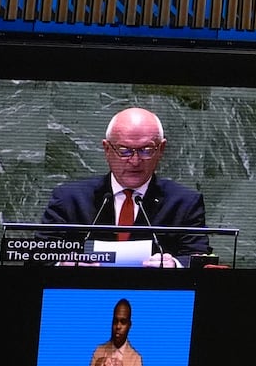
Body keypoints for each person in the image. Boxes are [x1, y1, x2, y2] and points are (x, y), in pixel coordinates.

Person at [41, 106, 210, 266]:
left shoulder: (185, 203)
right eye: (124, 150)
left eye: (146, 150)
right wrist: (62, 263)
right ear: (107, 149)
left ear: (161, 149)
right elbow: (38, 257)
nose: (135, 161)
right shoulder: (69, 199)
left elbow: (198, 258)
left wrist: (175, 265)